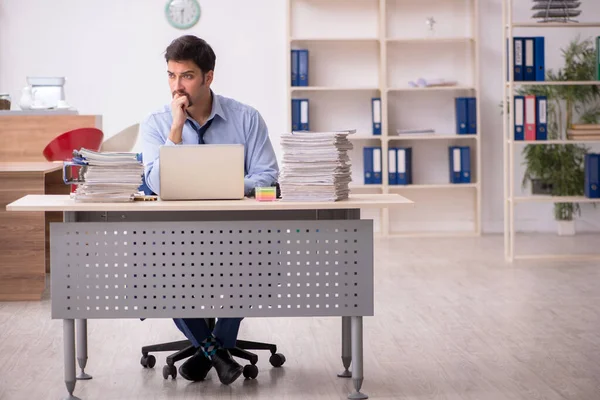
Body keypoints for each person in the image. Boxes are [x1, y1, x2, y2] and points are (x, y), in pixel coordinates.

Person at [140, 35, 279, 385]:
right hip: (175, 234)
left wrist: (225, 185)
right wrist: (176, 128)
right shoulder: (156, 122)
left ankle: (206, 353)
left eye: (186, 76)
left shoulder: (246, 118)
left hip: (237, 230)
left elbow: (267, 175)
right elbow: (156, 183)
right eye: (171, 76)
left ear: (208, 77)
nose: (177, 86)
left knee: (250, 262)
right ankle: (217, 353)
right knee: (161, 271)